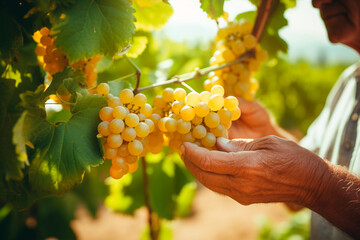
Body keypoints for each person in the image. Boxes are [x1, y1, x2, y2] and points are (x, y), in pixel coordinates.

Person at [180, 0, 360, 239]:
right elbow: (305, 186)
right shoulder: (348, 84)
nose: (317, 2)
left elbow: (316, 178)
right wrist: (266, 132)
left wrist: (316, 185)